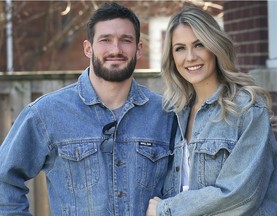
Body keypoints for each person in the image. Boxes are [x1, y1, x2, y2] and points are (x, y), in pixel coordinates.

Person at [0, 2, 175, 216]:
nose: (116, 49)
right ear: (88, 48)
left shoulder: (165, 114)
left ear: (138, 49)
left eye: (126, 40)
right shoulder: (47, 113)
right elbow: (4, 178)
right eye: (105, 40)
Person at [146, 6, 277, 216]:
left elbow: (240, 195)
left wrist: (165, 209)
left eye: (199, 44)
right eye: (180, 48)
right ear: (171, 57)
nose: (190, 57)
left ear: (214, 46)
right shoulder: (174, 113)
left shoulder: (247, 109)